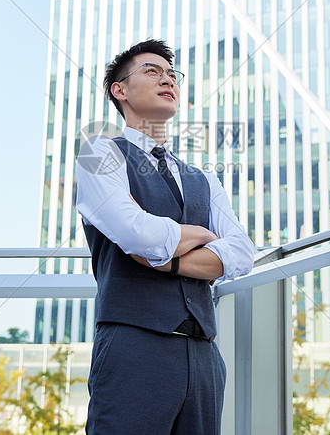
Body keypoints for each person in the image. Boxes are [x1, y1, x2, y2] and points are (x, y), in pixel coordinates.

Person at [76, 39, 255, 434]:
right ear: (118, 90)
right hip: (134, 347)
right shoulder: (99, 152)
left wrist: (169, 256)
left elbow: (242, 252)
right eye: (152, 71)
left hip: (205, 355)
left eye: (172, 74)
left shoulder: (204, 176)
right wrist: (201, 235)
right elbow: (133, 232)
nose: (167, 79)